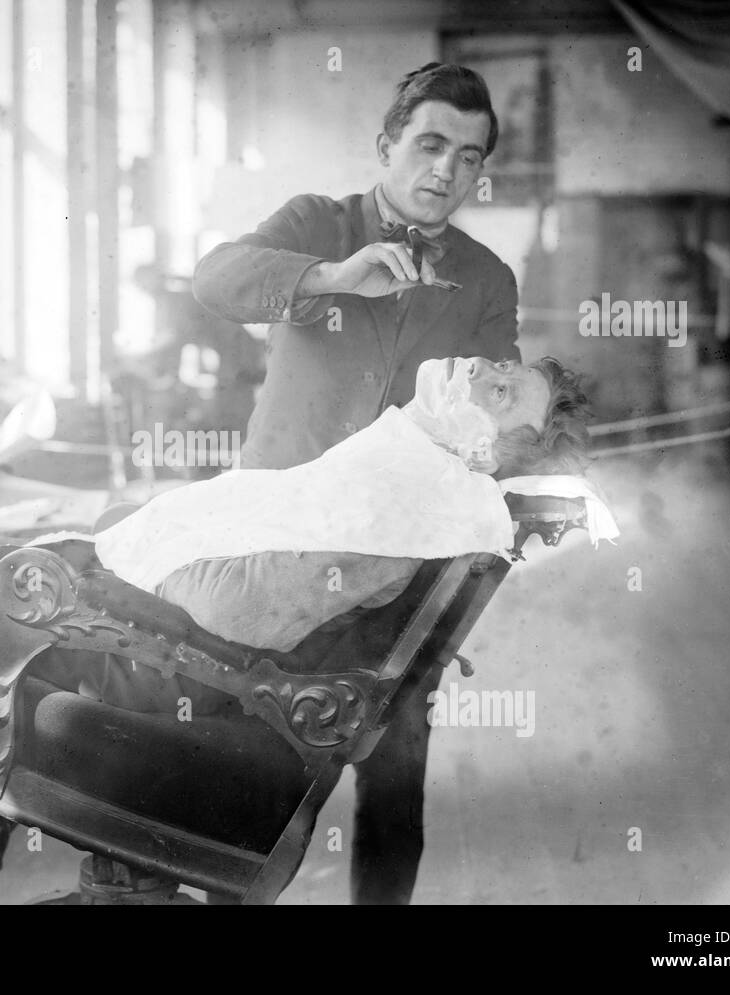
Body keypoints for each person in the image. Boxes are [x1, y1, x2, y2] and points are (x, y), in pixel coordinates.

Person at [0, 354, 591, 880]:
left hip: (127, 647)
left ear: (491, 446)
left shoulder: (413, 506)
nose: (482, 369)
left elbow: (239, 608)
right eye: (500, 364)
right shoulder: (422, 479)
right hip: (132, 604)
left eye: (505, 388)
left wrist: (126, 553)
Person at [191, 61, 522, 902]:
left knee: (394, 761)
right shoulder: (316, 221)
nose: (447, 170)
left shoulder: (486, 280)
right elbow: (216, 278)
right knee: (249, 755)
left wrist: (501, 445)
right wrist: (329, 280)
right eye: (431, 143)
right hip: (275, 540)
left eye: (471, 156)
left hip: (395, 568)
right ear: (387, 147)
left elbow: (500, 404)